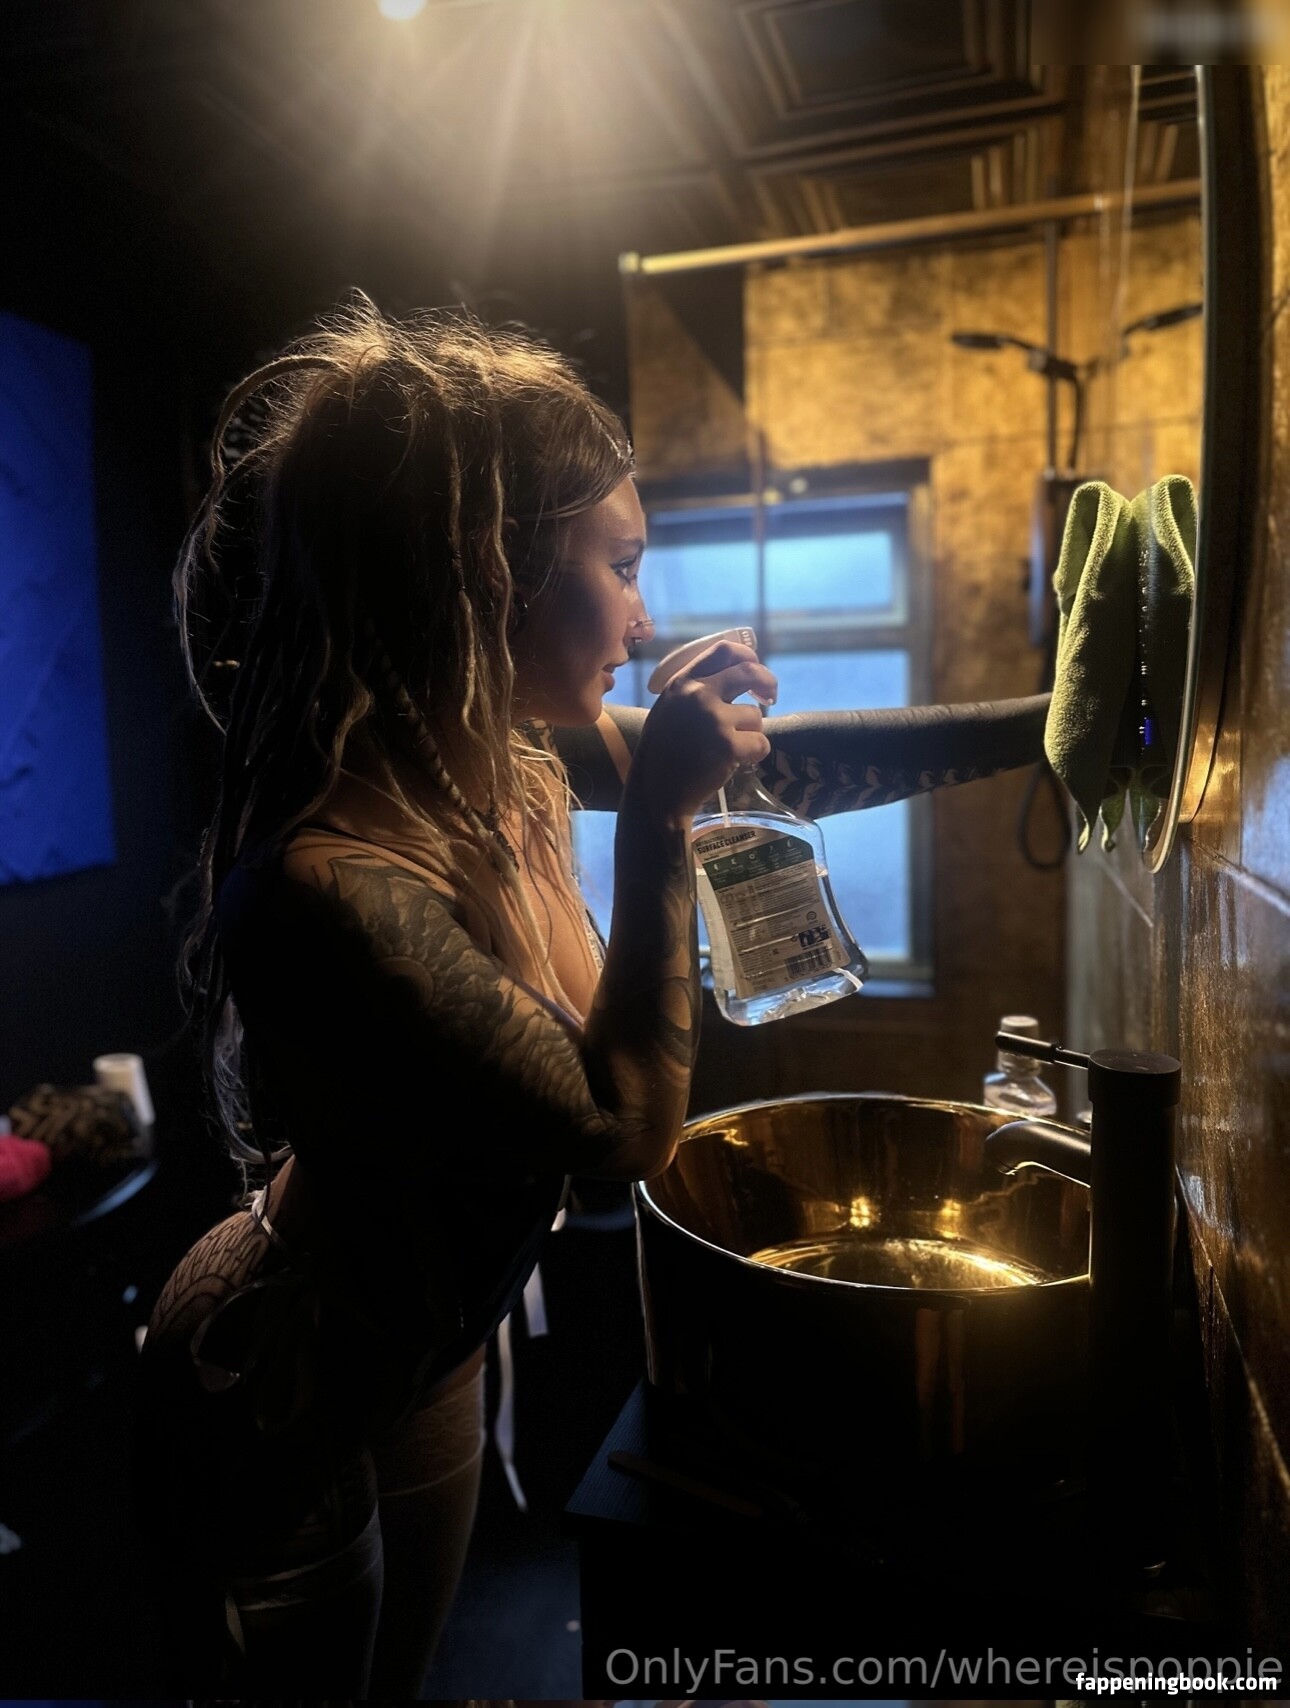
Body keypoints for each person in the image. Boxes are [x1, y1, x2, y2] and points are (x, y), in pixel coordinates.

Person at [137, 297, 1049, 1696]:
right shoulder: (330, 884)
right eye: (618, 565)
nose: (643, 611)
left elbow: (787, 758)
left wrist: (1051, 730)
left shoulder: (499, 756)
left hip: (431, 1358)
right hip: (279, 1386)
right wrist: (659, 826)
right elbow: (621, 1129)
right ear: (480, 570)